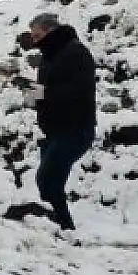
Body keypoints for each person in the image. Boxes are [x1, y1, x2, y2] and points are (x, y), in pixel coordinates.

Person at [25, 12, 96, 231]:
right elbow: (47, 91)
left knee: (47, 180)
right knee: (48, 183)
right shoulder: (48, 56)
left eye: (37, 36)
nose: (34, 42)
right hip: (54, 131)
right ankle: (58, 227)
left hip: (75, 130)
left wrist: (44, 94)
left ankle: (65, 229)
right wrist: (31, 95)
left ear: (51, 31)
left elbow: (79, 91)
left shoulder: (76, 52)